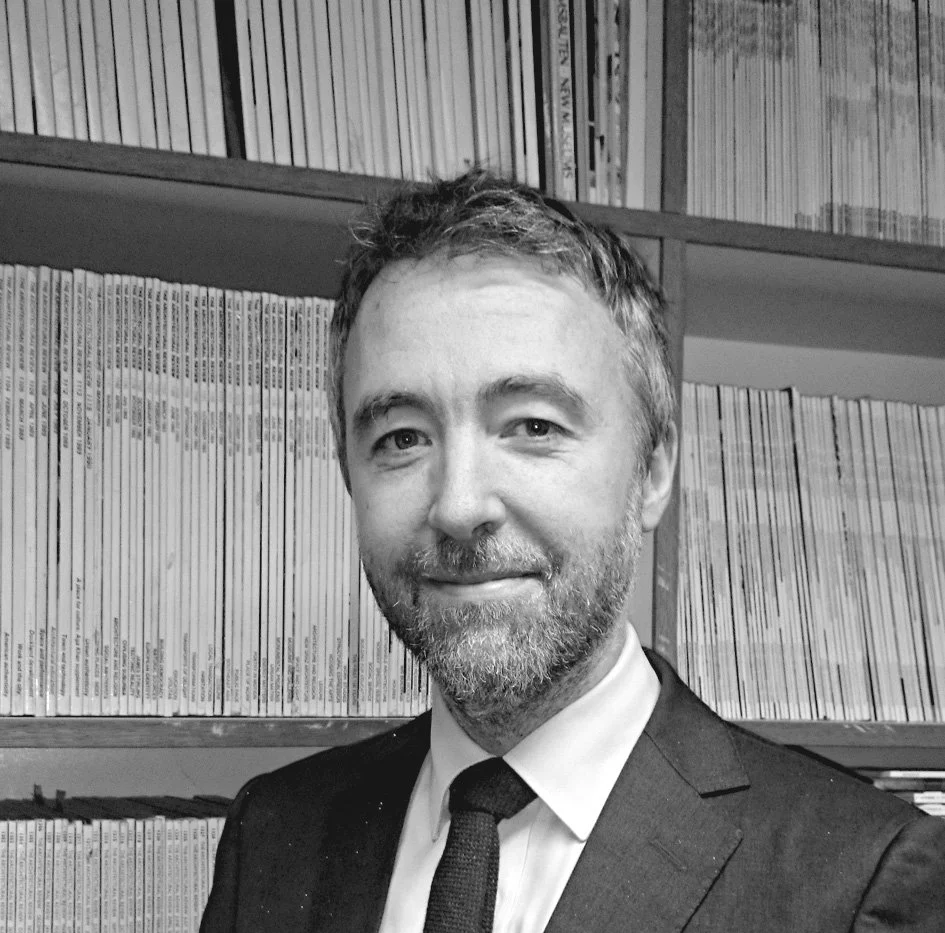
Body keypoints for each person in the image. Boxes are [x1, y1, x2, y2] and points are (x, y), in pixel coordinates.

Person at [200, 170, 945, 933]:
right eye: (401, 438)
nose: (459, 506)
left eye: (532, 426)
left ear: (651, 470)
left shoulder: (864, 877)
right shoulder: (273, 831)